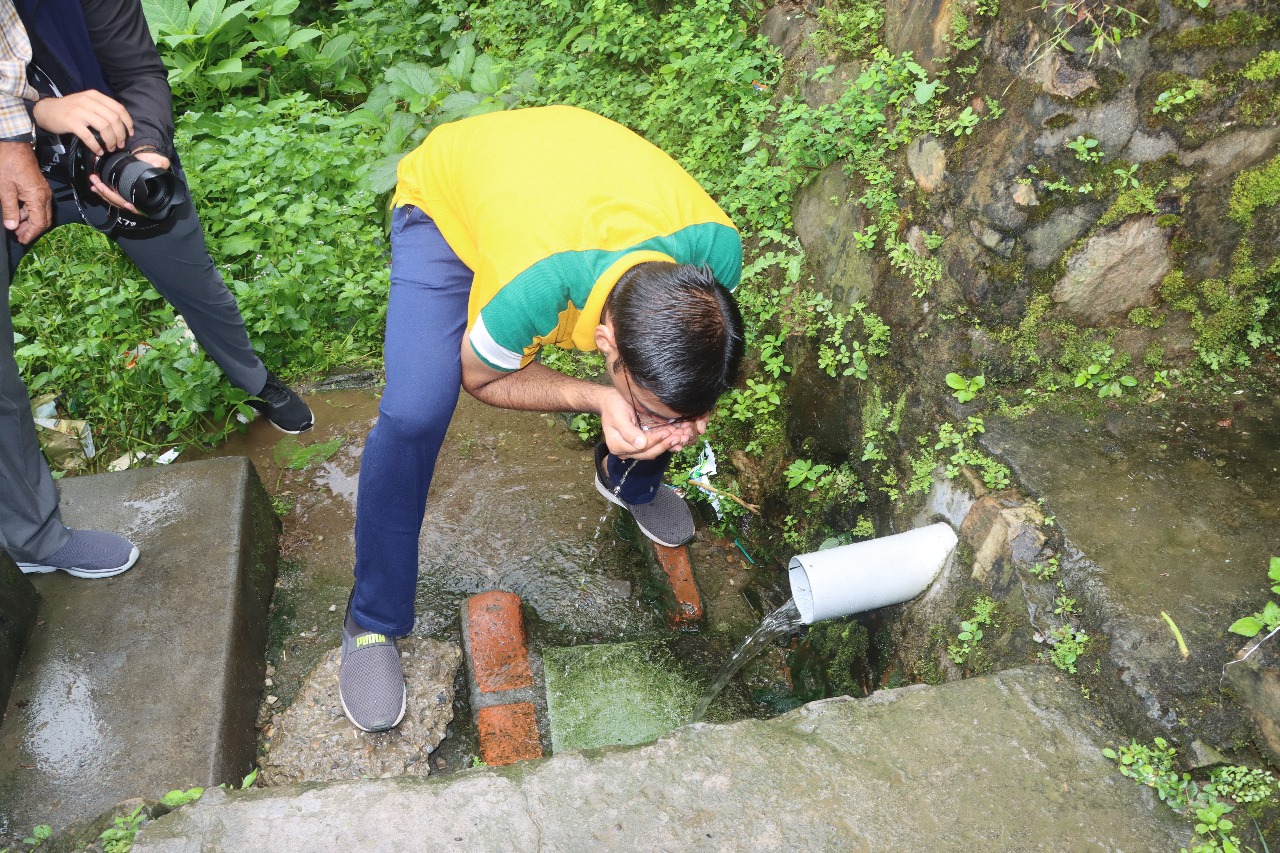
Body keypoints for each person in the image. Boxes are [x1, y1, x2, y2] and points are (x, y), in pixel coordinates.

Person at [339, 105, 745, 732]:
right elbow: (482, 378)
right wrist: (603, 400)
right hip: (450, 201)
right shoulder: (533, 290)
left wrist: (674, 414)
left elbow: (681, 374)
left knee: (672, 386)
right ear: (606, 344)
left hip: (559, 169)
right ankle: (371, 619)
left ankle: (630, 480)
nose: (681, 426)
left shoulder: (714, 256)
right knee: (415, 411)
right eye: (654, 412)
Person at [0, 0, 313, 581]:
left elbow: (139, 70)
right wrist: (41, 113)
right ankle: (34, 537)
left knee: (197, 284)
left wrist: (144, 150)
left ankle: (256, 381)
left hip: (102, 155)